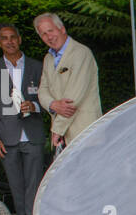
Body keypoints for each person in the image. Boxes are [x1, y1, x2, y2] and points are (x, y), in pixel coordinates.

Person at [0, 23, 45, 215]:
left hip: (33, 133)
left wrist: (35, 106)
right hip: (6, 136)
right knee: (15, 182)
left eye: (13, 37)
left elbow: (47, 98)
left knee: (35, 182)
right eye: (4, 38)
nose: (9, 41)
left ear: (19, 40)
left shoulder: (38, 66)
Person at [34, 12, 102, 149]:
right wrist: (52, 104)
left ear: (62, 29)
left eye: (51, 31)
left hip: (84, 131)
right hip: (63, 135)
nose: (49, 37)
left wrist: (57, 130)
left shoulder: (81, 53)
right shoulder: (48, 59)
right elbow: (42, 91)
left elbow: (73, 100)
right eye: (44, 34)